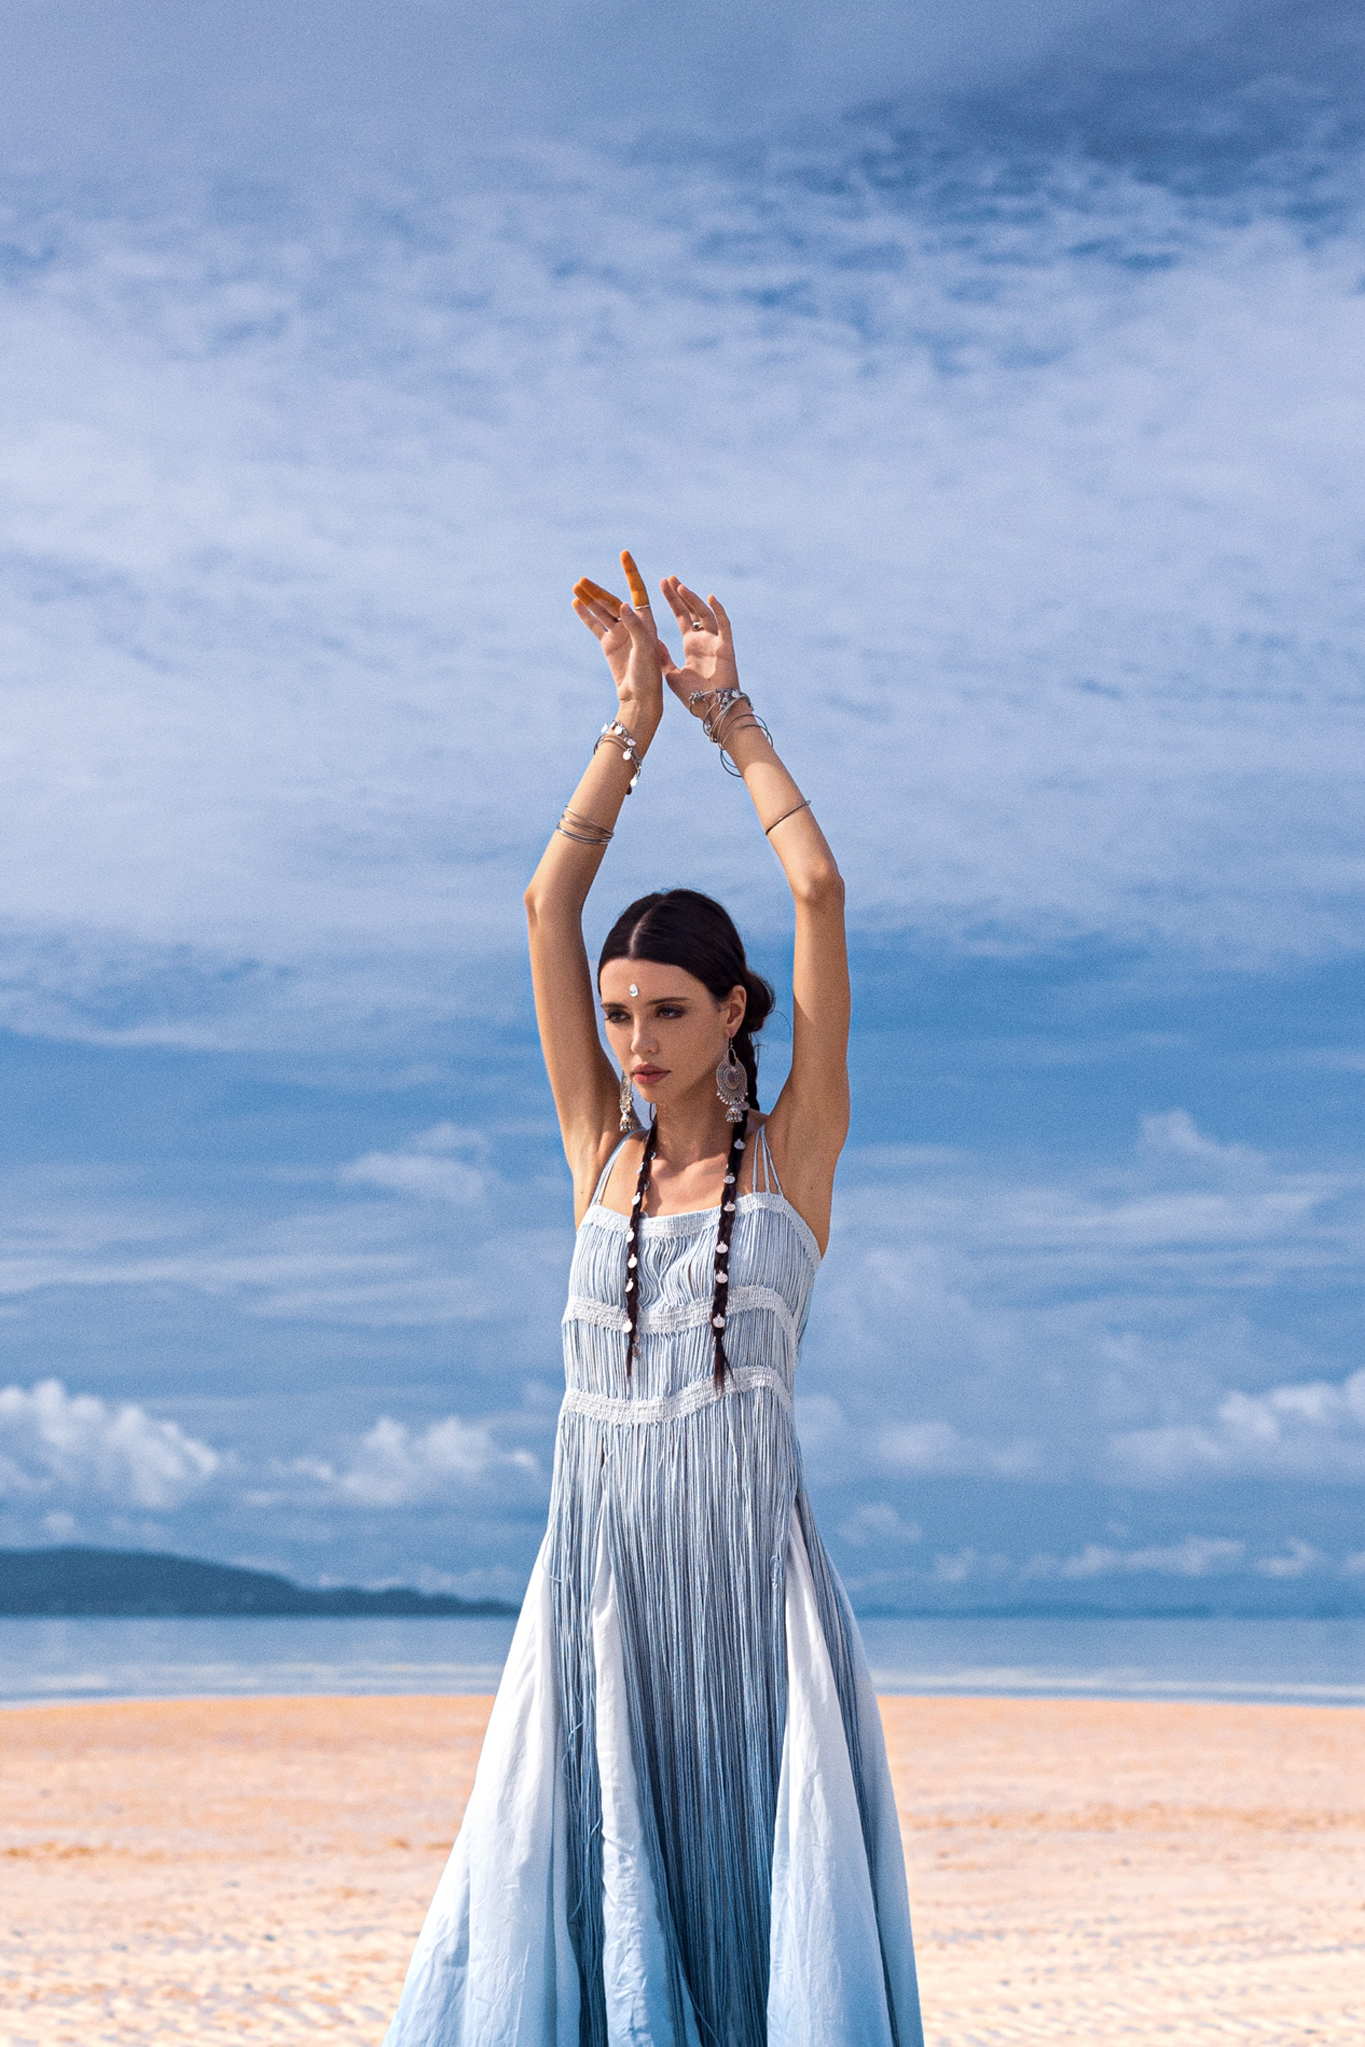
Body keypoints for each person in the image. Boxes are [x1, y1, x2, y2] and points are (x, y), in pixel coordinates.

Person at [384, 555, 923, 2047]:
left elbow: (814, 887)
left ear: (736, 1010)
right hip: (602, 1584)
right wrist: (623, 722)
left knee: (762, 1911)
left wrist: (726, 716)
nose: (635, 1039)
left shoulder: (793, 1157)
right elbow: (548, 899)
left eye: (669, 1010)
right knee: (581, 1904)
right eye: (620, 1012)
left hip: (750, 1591)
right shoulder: (594, 1150)